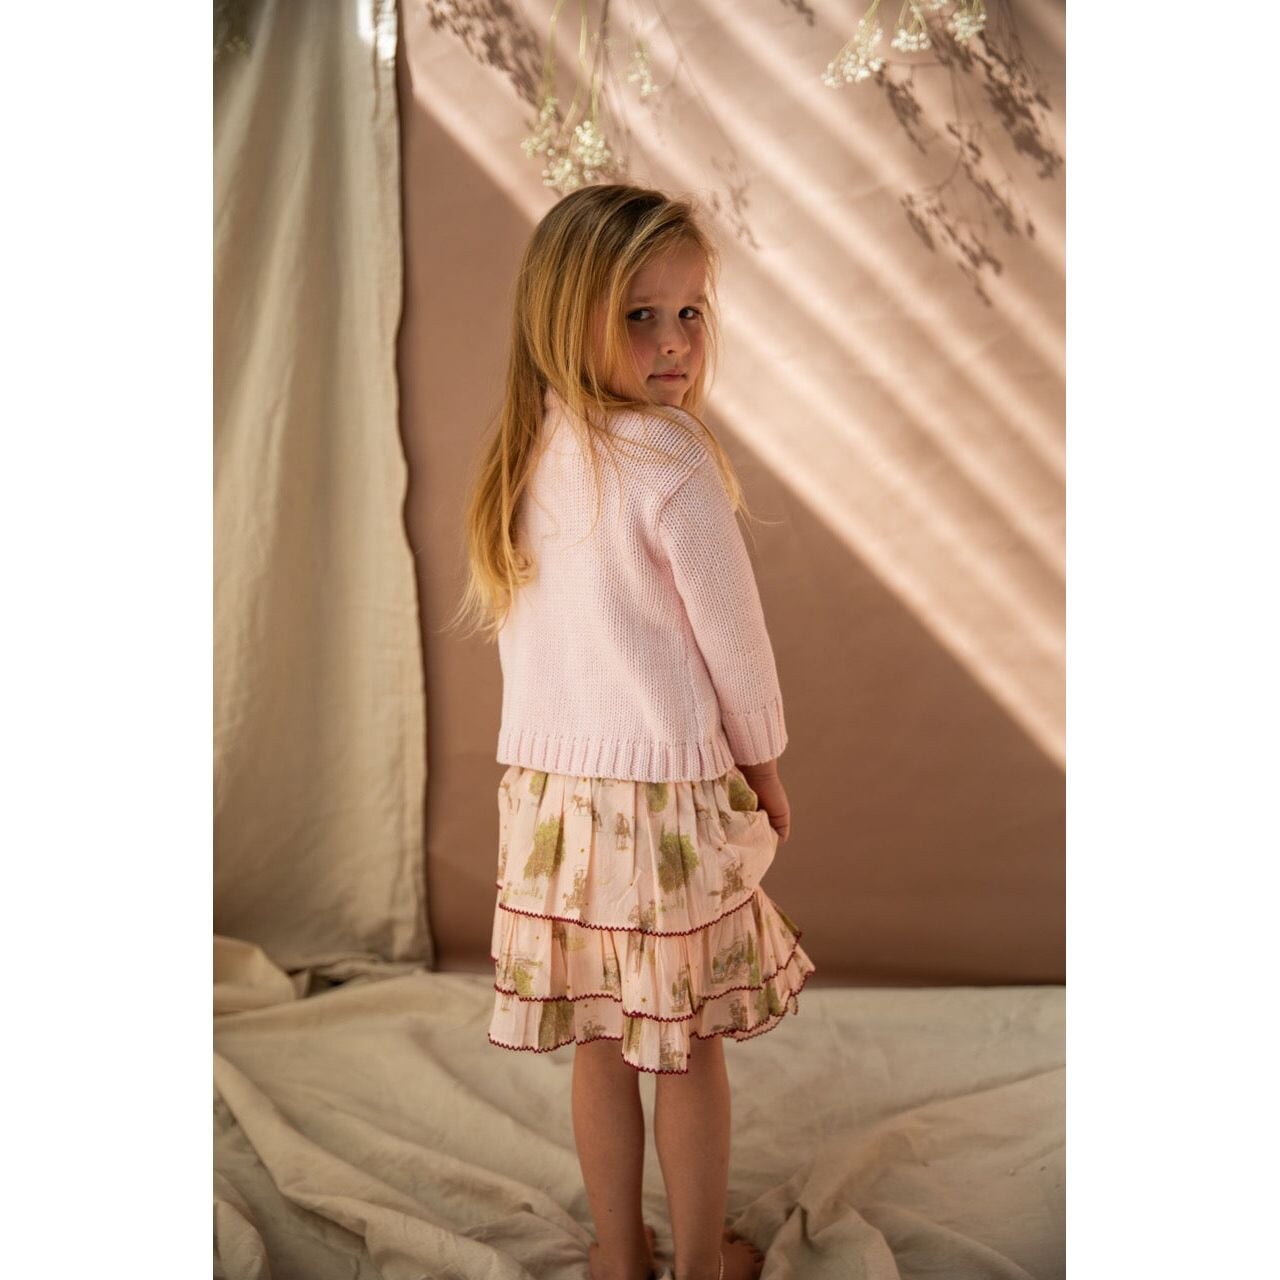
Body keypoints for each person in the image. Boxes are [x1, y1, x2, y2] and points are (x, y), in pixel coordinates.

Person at [451, 183, 816, 1280]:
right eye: (640, 315)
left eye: (691, 311)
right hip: (658, 805)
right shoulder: (669, 457)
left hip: (552, 809)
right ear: (567, 318)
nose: (674, 343)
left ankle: (620, 1252)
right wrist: (764, 766)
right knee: (685, 1046)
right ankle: (699, 1263)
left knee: (603, 1041)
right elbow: (734, 644)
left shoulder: (527, 449)